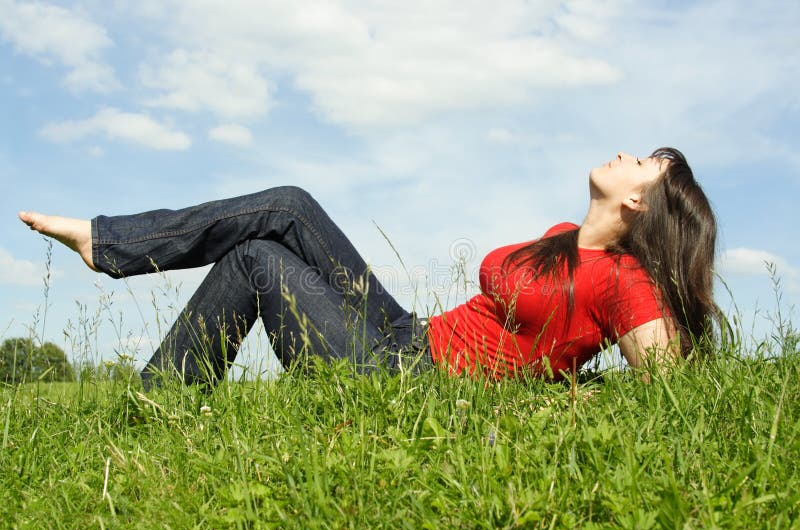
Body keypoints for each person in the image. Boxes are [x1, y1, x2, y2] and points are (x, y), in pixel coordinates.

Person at [18, 147, 719, 387]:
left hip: (414, 378)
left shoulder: (628, 283)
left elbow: (669, 382)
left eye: (643, 165)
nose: (625, 156)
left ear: (637, 201)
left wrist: (574, 393)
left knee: (257, 259)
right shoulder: (563, 236)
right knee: (288, 205)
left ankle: (159, 400)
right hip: (408, 334)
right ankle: (111, 243)